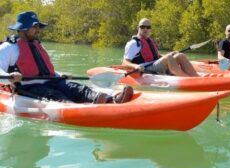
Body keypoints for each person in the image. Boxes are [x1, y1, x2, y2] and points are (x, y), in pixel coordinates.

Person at [0, 11, 133, 104]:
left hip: (52, 81)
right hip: (29, 87)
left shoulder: (37, 45)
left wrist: (60, 75)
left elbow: (46, 71)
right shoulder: (9, 47)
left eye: (37, 27)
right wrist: (9, 76)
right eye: (34, 27)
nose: (38, 30)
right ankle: (82, 111)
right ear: (23, 29)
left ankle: (111, 100)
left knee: (77, 88)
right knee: (56, 96)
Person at [122, 18, 199, 76]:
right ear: (138, 28)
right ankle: (187, 79)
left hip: (155, 65)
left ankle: (197, 78)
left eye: (148, 27)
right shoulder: (133, 43)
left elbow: (158, 57)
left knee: (180, 56)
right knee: (168, 57)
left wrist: (172, 54)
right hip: (146, 68)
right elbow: (124, 63)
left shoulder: (150, 41)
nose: (145, 29)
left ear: (150, 29)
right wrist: (136, 66)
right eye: (142, 27)